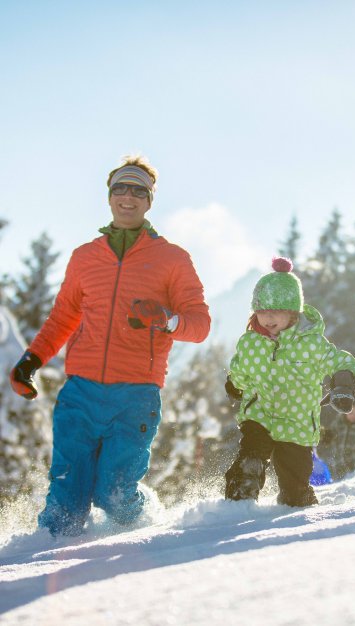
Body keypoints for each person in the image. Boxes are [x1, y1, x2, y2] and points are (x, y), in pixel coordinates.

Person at [9, 155, 211, 536]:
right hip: (80, 391)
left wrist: (167, 320)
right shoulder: (85, 258)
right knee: (64, 505)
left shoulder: (173, 259)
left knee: (115, 497)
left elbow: (200, 325)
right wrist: (30, 360)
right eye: (121, 188)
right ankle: (43, 569)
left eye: (138, 191)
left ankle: (144, 534)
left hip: (135, 393)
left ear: (149, 201)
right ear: (109, 196)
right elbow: (62, 318)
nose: (128, 197)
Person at [224, 256, 355, 506]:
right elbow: (240, 369)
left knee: (294, 489)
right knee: (251, 457)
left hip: (297, 423)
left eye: (275, 311)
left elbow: (341, 361)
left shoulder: (311, 344)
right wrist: (235, 384)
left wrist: (343, 384)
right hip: (260, 414)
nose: (267, 318)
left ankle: (298, 503)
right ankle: (238, 502)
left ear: (292, 312)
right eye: (262, 311)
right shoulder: (250, 342)